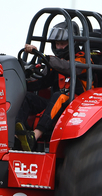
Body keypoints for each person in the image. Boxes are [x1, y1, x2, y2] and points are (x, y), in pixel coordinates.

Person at [15, 21, 89, 151]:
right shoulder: (55, 63)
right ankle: (17, 136)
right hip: (56, 106)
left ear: (73, 42)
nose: (59, 47)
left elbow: (68, 68)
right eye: (57, 44)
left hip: (77, 107)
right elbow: (40, 82)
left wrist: (45, 58)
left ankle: (34, 136)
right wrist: (20, 79)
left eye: (62, 43)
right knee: (27, 96)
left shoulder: (83, 59)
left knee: (59, 96)